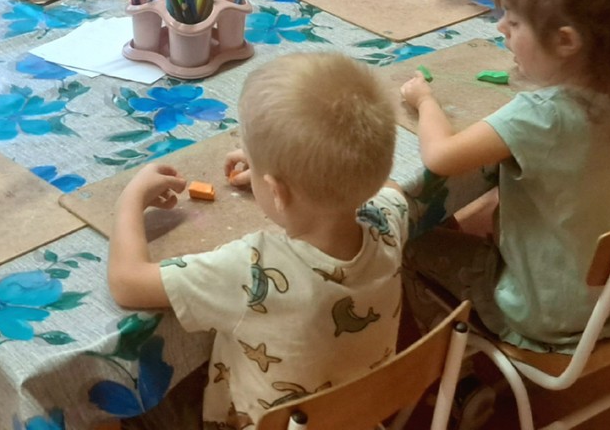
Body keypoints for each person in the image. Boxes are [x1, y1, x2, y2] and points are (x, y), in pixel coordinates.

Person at [108, 52, 407, 428]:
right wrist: (297, 180)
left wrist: (130, 199)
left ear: (276, 192)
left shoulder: (253, 270)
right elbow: (389, 185)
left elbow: (127, 283)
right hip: (356, 419)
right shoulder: (390, 218)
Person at [401, 0, 610, 353]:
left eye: (513, 23)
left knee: (401, 241)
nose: (501, 29)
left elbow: (440, 157)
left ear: (566, 41)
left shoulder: (539, 116)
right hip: (603, 292)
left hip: (539, 308)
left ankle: (453, 365)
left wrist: (424, 101)